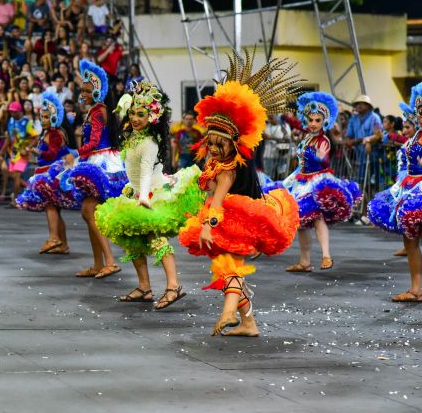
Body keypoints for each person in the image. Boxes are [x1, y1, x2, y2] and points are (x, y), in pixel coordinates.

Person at [178, 55, 300, 337]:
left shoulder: (228, 171)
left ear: (234, 144)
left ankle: (228, 313)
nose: (214, 148)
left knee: (230, 270)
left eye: (220, 144)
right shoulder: (219, 165)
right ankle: (248, 323)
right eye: (211, 142)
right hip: (231, 222)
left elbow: (218, 202)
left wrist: (208, 227)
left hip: (232, 223)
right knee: (227, 270)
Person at [95, 81, 204, 306]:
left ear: (152, 117)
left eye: (141, 114)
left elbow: (145, 172)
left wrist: (143, 195)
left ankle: (173, 286)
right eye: (133, 113)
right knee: (132, 239)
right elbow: (132, 168)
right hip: (136, 192)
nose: (135, 118)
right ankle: (144, 287)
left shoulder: (149, 143)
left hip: (152, 193)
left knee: (156, 238)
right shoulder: (132, 136)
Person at [58, 60, 127, 279]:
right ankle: (99, 263)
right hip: (96, 160)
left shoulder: (98, 112)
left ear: (98, 91)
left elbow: (95, 141)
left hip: (103, 163)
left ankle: (110, 261)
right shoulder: (95, 111)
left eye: (87, 90)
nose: (83, 93)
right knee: (88, 212)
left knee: (90, 212)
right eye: (82, 89)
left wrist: (76, 153)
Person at [284, 92, 362, 273]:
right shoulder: (307, 137)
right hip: (301, 180)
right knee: (301, 222)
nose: (313, 123)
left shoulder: (323, 139)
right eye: (310, 120)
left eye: (317, 120)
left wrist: (320, 158)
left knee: (317, 219)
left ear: (324, 121)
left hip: (317, 182)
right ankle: (304, 262)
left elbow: (325, 160)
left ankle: (326, 255)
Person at [368, 83, 422, 302]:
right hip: (410, 188)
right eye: (419, 111)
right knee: (410, 239)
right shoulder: (416, 135)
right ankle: (416, 288)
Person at [16, 92, 77, 254]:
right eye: (41, 117)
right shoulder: (51, 132)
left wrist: (38, 152)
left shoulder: (56, 133)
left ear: (53, 117)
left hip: (52, 174)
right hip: (49, 172)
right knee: (54, 209)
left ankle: (54, 238)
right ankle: (62, 244)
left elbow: (53, 153)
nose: (42, 120)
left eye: (44, 117)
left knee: (50, 205)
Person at [3, 101, 38, 201]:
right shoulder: (10, 120)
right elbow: (9, 137)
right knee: (13, 175)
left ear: (20, 111)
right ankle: (32, 188)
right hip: (13, 152)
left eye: (14, 112)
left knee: (17, 176)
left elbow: (36, 137)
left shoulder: (27, 122)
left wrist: (27, 148)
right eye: (11, 112)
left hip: (23, 153)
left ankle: (15, 200)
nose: (12, 114)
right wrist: (2, 151)